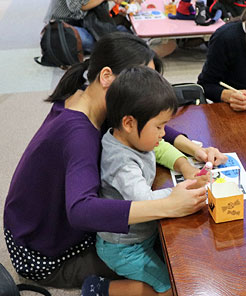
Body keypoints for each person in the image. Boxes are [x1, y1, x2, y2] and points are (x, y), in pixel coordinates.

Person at [4, 33, 225, 292]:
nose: (146, 92)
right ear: (107, 76)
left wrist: (193, 150)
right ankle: (99, 289)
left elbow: (149, 118)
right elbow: (81, 211)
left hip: (48, 228)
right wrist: (169, 204)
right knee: (178, 272)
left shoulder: (100, 103)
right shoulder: (79, 134)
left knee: (176, 241)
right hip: (47, 252)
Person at [94, 67, 201, 295]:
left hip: (145, 234)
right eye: (159, 126)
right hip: (124, 249)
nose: (164, 133)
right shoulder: (121, 162)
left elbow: (160, 149)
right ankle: (101, 289)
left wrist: (185, 166)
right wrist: (182, 192)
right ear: (129, 123)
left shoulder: (133, 138)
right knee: (171, 287)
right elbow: (144, 201)